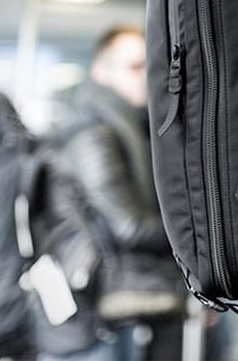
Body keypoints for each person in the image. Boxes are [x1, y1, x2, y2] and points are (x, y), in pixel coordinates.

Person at [47, 26, 185, 361]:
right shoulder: (92, 131)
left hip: (138, 299)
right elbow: (128, 226)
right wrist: (193, 238)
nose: (146, 76)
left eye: (149, 65)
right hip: (109, 305)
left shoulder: (136, 126)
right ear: (101, 71)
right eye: (134, 67)